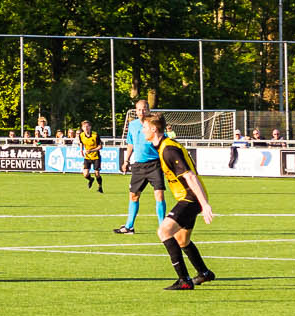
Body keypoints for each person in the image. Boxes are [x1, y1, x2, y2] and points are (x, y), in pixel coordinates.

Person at [146, 114, 215, 290]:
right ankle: (204, 273)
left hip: (190, 197)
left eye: (144, 127)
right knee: (182, 240)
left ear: (154, 129)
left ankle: (184, 280)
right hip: (189, 197)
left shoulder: (169, 149)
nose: (143, 131)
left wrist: (204, 203)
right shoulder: (164, 147)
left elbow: (190, 176)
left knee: (164, 230)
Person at [116, 101, 169, 234]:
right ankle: (129, 226)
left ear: (148, 110)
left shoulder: (155, 123)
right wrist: (126, 160)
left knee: (159, 194)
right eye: (139, 110)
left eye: (144, 109)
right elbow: (130, 144)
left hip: (154, 164)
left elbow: (164, 141)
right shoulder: (133, 125)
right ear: (136, 111)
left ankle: (162, 227)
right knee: (134, 195)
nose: (141, 112)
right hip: (138, 165)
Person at [79, 119, 104, 192]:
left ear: (90, 127)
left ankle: (100, 187)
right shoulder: (81, 135)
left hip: (96, 156)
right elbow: (81, 143)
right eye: (84, 127)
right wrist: (81, 150)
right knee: (85, 174)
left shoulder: (95, 135)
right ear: (82, 128)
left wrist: (91, 150)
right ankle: (91, 179)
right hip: (87, 157)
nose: (86, 128)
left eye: (87, 126)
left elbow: (100, 147)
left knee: (97, 173)